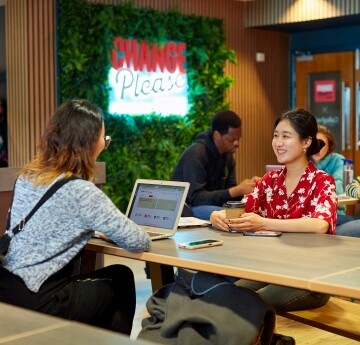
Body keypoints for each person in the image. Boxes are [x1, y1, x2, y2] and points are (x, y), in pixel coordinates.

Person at [0, 99, 151, 335]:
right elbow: (138, 241)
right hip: (42, 299)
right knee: (120, 277)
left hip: (9, 289)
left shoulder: (27, 177)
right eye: (104, 138)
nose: (105, 143)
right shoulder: (81, 191)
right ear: (90, 144)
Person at [210, 108, 337, 315]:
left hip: (312, 275)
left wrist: (264, 222)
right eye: (276, 136)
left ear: (306, 142)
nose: (278, 142)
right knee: (230, 296)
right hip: (273, 270)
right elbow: (241, 209)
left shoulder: (322, 181)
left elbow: (320, 224)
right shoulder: (270, 180)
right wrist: (217, 216)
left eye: (286, 136)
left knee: (255, 305)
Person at [171, 110, 260, 220]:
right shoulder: (196, 154)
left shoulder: (228, 156)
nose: (237, 144)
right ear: (217, 135)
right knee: (227, 214)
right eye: (232, 139)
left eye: (238, 139)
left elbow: (230, 195)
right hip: (187, 209)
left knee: (248, 211)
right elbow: (196, 198)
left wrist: (251, 188)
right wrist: (236, 190)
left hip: (213, 205)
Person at [312, 124, 350, 223]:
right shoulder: (302, 161)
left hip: (334, 214)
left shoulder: (337, 159)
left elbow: (339, 186)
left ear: (329, 145)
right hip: (307, 216)